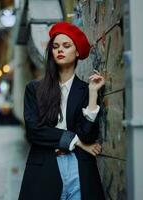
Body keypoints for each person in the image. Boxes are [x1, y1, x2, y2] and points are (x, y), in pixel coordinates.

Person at [18, 21, 106, 200]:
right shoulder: (34, 89)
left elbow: (88, 136)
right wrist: (76, 140)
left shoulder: (85, 90)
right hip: (44, 166)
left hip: (79, 168)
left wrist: (92, 95)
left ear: (77, 52)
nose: (60, 50)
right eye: (56, 46)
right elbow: (34, 131)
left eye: (66, 46)